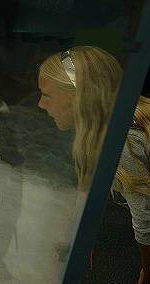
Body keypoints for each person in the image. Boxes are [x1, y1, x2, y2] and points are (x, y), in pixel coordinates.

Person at [38, 45, 150, 283]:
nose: (41, 104)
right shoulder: (99, 132)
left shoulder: (122, 140)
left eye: (47, 95)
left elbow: (145, 219)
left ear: (77, 97)